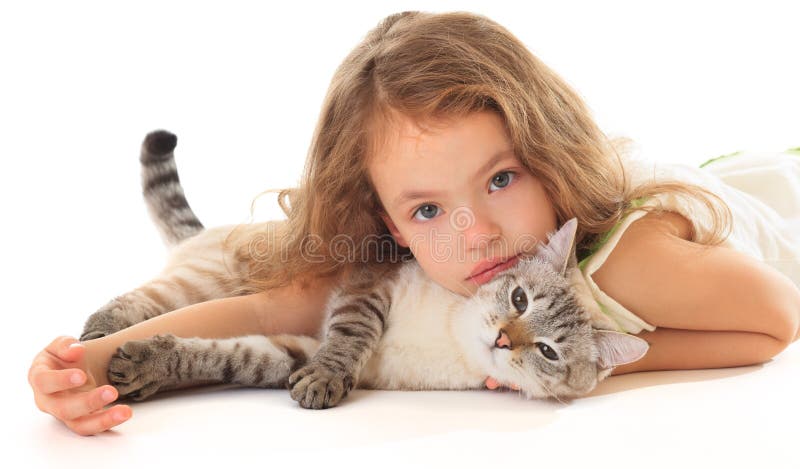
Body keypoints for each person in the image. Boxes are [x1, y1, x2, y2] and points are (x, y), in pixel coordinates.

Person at [28, 11, 800, 436]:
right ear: (392, 224)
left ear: (547, 151)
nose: (477, 234)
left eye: (502, 177)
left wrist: (586, 361)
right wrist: (88, 364)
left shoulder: (629, 262)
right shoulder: (438, 260)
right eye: (427, 209)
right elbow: (273, 307)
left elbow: (777, 320)